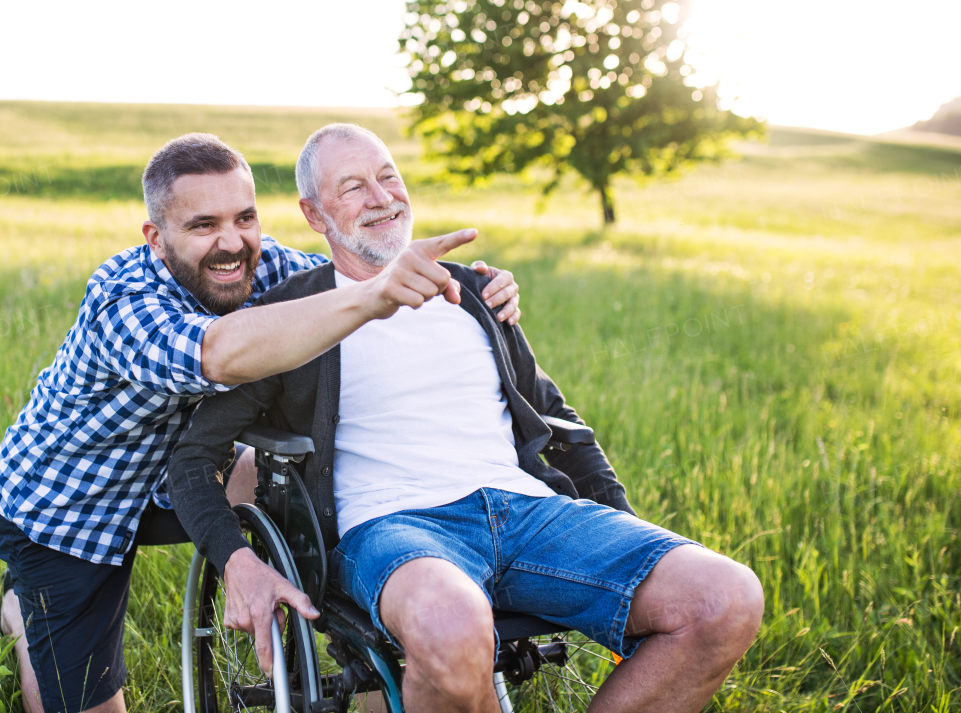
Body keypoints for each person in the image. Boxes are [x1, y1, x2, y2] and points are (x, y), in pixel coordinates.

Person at [170, 124, 765, 713]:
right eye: (352, 188)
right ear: (315, 214)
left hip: (529, 511)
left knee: (726, 598)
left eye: (388, 177)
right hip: (394, 527)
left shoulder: (476, 291)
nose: (380, 198)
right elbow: (194, 460)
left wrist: (622, 527)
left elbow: (554, 417)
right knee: (452, 627)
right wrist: (238, 561)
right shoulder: (294, 315)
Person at [0, 131, 522, 713]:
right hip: (75, 503)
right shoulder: (123, 298)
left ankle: (381, 647)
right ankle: (23, 611)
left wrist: (472, 287)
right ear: (156, 239)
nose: (231, 242)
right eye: (202, 225)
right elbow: (219, 354)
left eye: (245, 218)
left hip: (193, 471)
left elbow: (359, 277)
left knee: (315, 478)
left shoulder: (269, 268)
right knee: (79, 700)